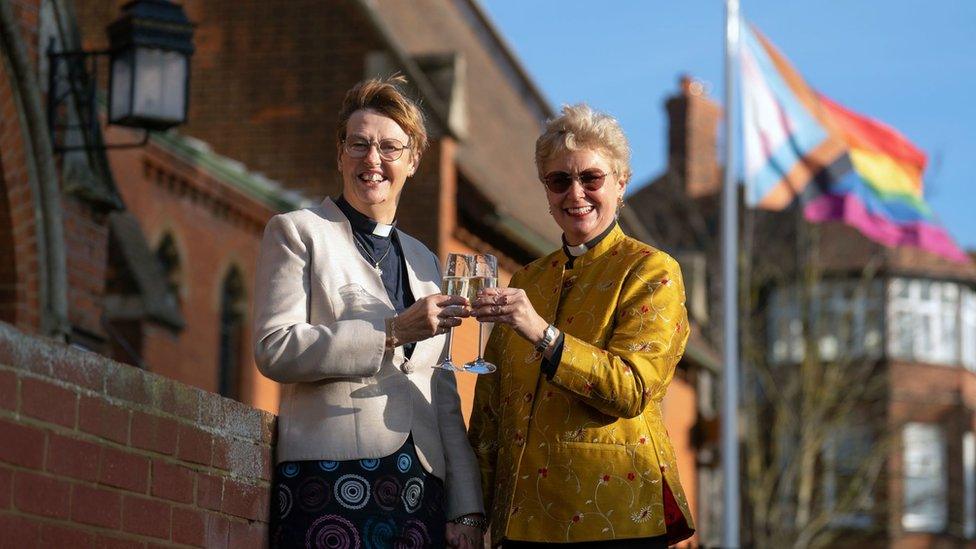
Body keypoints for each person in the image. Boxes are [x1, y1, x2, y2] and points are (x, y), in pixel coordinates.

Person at [253, 76, 485, 548]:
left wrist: (467, 506)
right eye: (358, 144)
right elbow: (274, 349)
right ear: (340, 153)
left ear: (413, 161)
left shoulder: (425, 260)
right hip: (329, 477)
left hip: (420, 486)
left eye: (389, 148)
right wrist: (392, 331)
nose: (372, 160)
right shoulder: (298, 233)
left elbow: (443, 392)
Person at [467, 104, 695, 548]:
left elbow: (633, 388)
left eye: (591, 178)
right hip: (521, 520)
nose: (576, 193)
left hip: (614, 516)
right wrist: (472, 511)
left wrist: (544, 334)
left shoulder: (650, 270)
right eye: (559, 181)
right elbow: (491, 411)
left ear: (621, 183)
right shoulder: (528, 279)